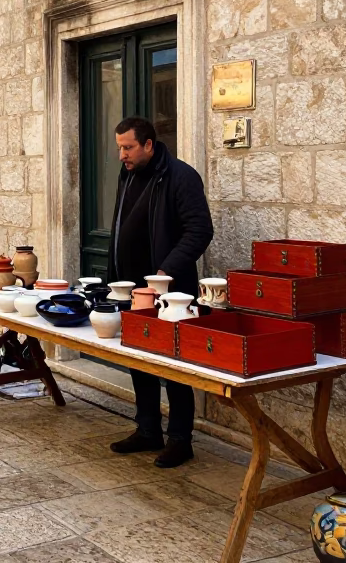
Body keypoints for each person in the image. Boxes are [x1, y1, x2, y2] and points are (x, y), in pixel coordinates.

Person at [106, 116, 213, 469]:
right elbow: (121, 227)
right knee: (139, 359)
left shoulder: (181, 176)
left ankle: (181, 440)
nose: (121, 154)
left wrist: (164, 272)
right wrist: (114, 275)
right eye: (119, 147)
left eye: (128, 147)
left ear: (149, 144)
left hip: (171, 291)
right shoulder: (128, 173)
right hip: (133, 288)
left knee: (173, 365)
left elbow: (200, 231)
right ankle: (148, 429)